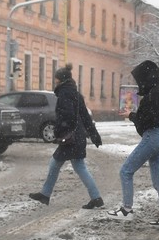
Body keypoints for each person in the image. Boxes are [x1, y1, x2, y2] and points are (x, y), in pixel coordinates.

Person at [108, 60, 159, 227]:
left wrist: (132, 115)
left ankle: (126, 210)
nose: (139, 83)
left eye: (139, 79)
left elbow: (146, 120)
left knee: (126, 171)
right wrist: (134, 115)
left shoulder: (152, 95)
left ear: (146, 77)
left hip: (152, 138)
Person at [28, 64, 104, 209]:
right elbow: (85, 117)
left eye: (56, 80)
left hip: (71, 138)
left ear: (61, 81)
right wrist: (94, 135)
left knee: (57, 164)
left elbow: (67, 116)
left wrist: (58, 130)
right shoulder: (75, 94)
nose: (54, 83)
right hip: (77, 136)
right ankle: (95, 197)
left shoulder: (65, 94)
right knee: (77, 167)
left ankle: (45, 194)